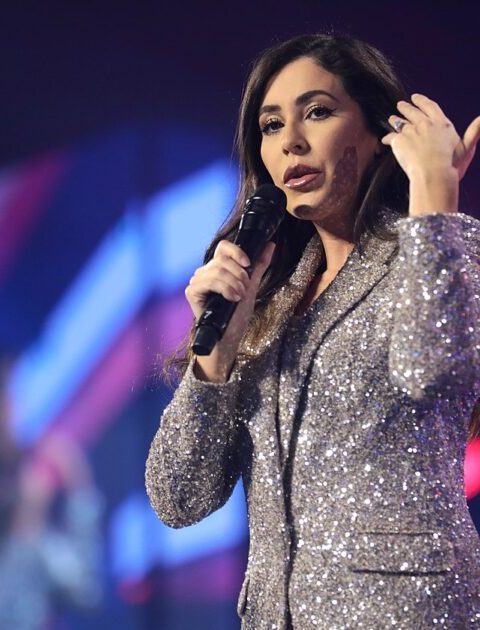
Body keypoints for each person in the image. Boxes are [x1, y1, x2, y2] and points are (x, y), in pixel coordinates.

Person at [145, 33, 480, 629]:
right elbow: (179, 497)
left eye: (318, 112)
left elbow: (433, 369)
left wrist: (434, 191)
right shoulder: (268, 301)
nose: (290, 141)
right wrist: (216, 355)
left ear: (379, 133)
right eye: (271, 126)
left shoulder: (442, 252)